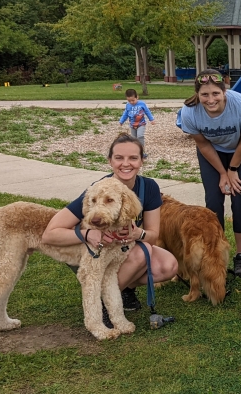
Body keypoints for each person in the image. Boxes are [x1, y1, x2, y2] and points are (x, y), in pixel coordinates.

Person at [42, 134, 178, 314]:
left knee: (168, 266)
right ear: (110, 161)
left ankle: (123, 290)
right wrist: (88, 234)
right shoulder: (98, 189)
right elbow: (49, 234)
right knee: (140, 253)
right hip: (96, 254)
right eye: (119, 158)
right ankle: (101, 305)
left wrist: (138, 234)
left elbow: (152, 235)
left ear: (142, 161)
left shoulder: (149, 187)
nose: (126, 163)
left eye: (133, 158)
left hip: (124, 250)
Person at [179, 70, 241, 278]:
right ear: (198, 95)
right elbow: (203, 144)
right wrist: (222, 173)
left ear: (224, 91)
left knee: (240, 198)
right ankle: (216, 252)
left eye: (215, 93)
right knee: (213, 202)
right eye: (205, 95)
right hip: (212, 151)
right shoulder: (189, 112)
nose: (210, 99)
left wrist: (232, 171)